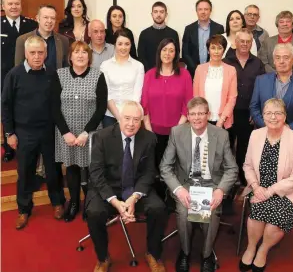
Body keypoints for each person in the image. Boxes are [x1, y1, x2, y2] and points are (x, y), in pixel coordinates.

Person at [86, 101, 167, 272]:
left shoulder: (149, 138)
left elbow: (149, 172)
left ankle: (153, 253)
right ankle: (102, 258)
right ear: (119, 118)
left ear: (141, 121)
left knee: (158, 208)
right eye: (127, 118)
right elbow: (96, 174)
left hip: (136, 188)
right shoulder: (102, 137)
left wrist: (134, 197)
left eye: (136, 119)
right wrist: (115, 201)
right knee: (94, 212)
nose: (131, 124)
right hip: (109, 188)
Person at [160, 97, 238, 272]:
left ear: (208, 114)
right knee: (183, 209)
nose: (196, 118)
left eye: (201, 114)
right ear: (187, 116)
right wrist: (178, 189)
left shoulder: (221, 135)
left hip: (211, 184)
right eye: (192, 114)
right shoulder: (177, 132)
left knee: (212, 208)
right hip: (186, 184)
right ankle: (185, 252)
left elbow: (232, 169)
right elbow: (165, 166)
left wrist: (220, 190)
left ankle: (206, 254)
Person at [1, 36, 66, 229]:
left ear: (46, 54)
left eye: (40, 52)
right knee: (25, 172)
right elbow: (5, 106)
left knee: (53, 170)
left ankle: (57, 203)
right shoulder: (14, 74)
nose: (37, 56)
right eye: (33, 53)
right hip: (24, 132)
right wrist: (9, 133)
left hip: (48, 131)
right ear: (26, 54)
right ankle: (24, 209)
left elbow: (57, 105)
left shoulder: (52, 74)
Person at [239, 98, 293, 272]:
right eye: (268, 113)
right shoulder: (256, 135)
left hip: (288, 191)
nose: (273, 117)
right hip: (259, 187)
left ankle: (263, 250)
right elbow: (247, 166)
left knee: (273, 222)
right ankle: (251, 247)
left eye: (278, 113)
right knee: (257, 214)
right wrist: (256, 187)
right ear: (263, 116)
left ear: (285, 116)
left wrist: (269, 191)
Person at [52, 41, 108, 222]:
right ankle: (74, 203)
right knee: (72, 168)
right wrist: (66, 133)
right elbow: (54, 107)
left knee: (91, 169)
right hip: (66, 133)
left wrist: (86, 132)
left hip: (90, 132)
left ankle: (91, 205)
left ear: (89, 57)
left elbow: (101, 108)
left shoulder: (98, 76)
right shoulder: (59, 75)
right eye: (76, 52)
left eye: (84, 52)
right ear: (70, 56)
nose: (80, 55)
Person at [142, 38, 193, 198]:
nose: (168, 53)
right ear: (159, 52)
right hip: (154, 131)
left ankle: (174, 198)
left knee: (175, 167)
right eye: (164, 50)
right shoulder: (150, 74)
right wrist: (149, 130)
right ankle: (158, 199)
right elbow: (145, 104)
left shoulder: (184, 74)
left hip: (178, 130)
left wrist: (176, 129)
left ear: (176, 53)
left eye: (171, 50)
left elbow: (188, 103)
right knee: (157, 167)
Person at [224, 29, 265, 185]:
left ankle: (242, 176)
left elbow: (260, 89)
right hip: (228, 112)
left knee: (244, 146)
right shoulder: (226, 61)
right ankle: (228, 177)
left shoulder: (257, 63)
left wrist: (256, 112)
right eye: (242, 41)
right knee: (226, 146)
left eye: (248, 41)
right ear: (236, 42)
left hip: (247, 113)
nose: (245, 44)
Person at [1, 0, 37, 162]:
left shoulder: (31, 25)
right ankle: (8, 147)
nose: (14, 7)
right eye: (10, 4)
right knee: (7, 110)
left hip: (27, 77)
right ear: (3, 6)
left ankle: (26, 143)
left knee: (25, 110)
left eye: (16, 3)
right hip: (4, 77)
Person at [250, 43, 293, 133]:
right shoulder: (261, 80)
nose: (281, 61)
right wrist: (267, 125)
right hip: (264, 132)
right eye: (277, 57)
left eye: (286, 57)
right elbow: (254, 107)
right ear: (274, 61)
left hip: (291, 134)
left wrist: (290, 127)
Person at [100, 29, 144, 128]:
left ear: (131, 45)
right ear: (114, 45)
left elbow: (137, 95)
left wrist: (128, 118)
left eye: (127, 44)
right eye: (120, 44)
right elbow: (107, 94)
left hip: (131, 117)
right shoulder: (105, 65)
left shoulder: (138, 66)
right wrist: (120, 118)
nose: (123, 47)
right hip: (110, 116)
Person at [193, 35, 237, 129]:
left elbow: (232, 98)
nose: (216, 52)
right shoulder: (200, 69)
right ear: (208, 50)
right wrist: (202, 117)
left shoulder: (231, 70)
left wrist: (220, 121)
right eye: (213, 48)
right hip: (202, 120)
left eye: (219, 48)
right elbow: (196, 96)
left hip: (223, 121)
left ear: (224, 50)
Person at [15, 4, 69, 69]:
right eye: (46, 17)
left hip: (56, 78)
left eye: (52, 18)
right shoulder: (23, 40)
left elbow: (66, 67)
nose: (49, 21)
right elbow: (18, 69)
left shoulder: (63, 40)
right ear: (38, 18)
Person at [182, 0, 224, 78]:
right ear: (196, 11)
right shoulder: (189, 29)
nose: (203, 12)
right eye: (200, 9)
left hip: (214, 72)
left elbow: (221, 50)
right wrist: (196, 69)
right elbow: (185, 53)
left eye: (206, 9)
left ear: (210, 11)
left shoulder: (219, 28)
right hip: (194, 72)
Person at [138, 1, 180, 72]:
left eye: (161, 12)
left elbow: (176, 55)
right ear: (152, 14)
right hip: (149, 73)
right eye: (155, 12)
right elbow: (141, 57)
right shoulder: (144, 34)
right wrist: (150, 72)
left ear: (166, 14)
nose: (158, 14)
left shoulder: (173, 34)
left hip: (169, 73)